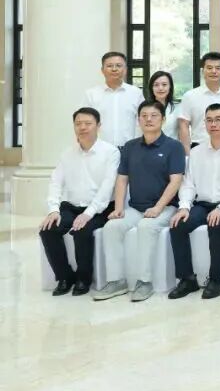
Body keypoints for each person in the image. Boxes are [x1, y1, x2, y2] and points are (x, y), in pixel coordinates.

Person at [93, 100, 186, 302]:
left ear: (163, 119)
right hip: (135, 208)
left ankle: (145, 282)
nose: (148, 119)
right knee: (111, 227)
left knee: (146, 226)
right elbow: (122, 179)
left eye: (154, 115)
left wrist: (158, 208)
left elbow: (176, 181)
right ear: (138, 120)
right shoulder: (130, 147)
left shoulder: (174, 147)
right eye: (144, 116)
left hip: (166, 207)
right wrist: (119, 208)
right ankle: (116, 281)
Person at [167, 103, 220, 300]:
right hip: (202, 205)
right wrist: (184, 207)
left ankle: (215, 280)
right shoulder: (196, 152)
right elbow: (188, 184)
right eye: (209, 120)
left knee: (217, 224)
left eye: (218, 119)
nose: (213, 124)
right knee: (178, 224)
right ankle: (187, 279)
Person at [39, 107, 120, 296]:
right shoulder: (67, 153)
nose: (82, 127)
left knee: (82, 231)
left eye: (88, 123)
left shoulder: (111, 152)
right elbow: (55, 182)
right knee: (48, 230)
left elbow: (107, 187)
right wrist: (53, 210)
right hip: (72, 206)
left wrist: (88, 214)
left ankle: (84, 279)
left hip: (100, 209)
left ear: (98, 126)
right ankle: (65, 277)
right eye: (78, 124)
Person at [177, 52, 220, 154]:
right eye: (209, 68)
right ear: (203, 71)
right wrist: (188, 153)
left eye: (218, 68)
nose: (213, 71)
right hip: (199, 148)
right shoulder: (190, 96)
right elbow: (183, 125)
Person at [85, 51, 143, 148]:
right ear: (102, 70)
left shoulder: (136, 93)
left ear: (125, 69)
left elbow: (142, 122)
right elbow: (85, 122)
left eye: (119, 65)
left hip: (129, 149)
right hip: (100, 149)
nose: (114, 69)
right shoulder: (91, 94)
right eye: (109, 66)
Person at [146, 70, 180, 139]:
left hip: (172, 145)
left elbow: (182, 132)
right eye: (156, 85)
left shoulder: (178, 107)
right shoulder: (145, 108)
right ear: (151, 88)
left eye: (164, 84)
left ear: (170, 87)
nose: (160, 88)